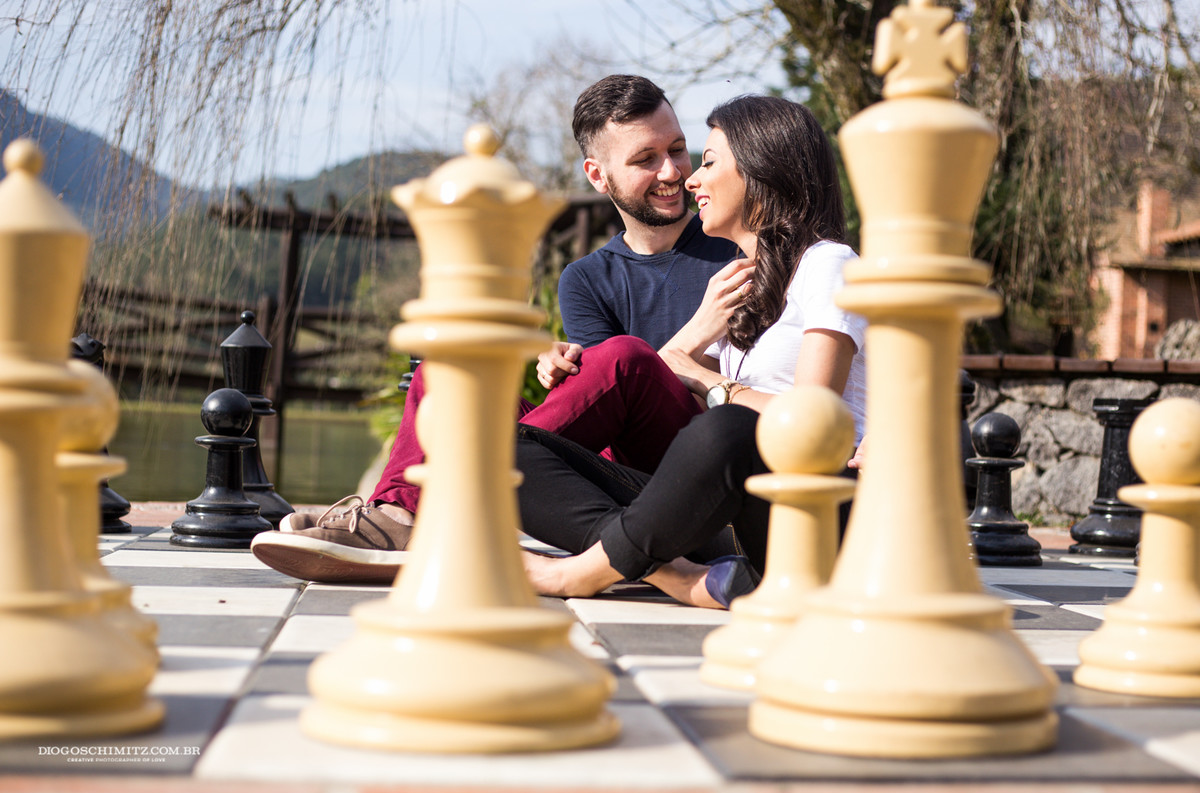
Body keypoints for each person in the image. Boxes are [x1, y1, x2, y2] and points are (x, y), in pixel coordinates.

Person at [250, 75, 739, 582]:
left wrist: (622, 361)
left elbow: (698, 395)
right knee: (450, 370)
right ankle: (398, 513)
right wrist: (581, 370)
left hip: (698, 475)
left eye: (679, 149)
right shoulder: (587, 279)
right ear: (598, 175)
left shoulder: (733, 246)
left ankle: (431, 509)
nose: (672, 171)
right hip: (617, 486)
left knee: (625, 359)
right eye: (645, 159)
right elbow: (609, 411)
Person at [513, 94, 867, 609]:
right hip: (739, 522)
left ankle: (580, 573)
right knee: (506, 450)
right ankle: (676, 576)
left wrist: (714, 384)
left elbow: (811, 424)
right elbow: (658, 396)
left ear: (761, 170)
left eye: (705, 161)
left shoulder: (829, 263)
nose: (689, 179)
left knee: (724, 429)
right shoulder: (748, 289)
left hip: (815, 512)